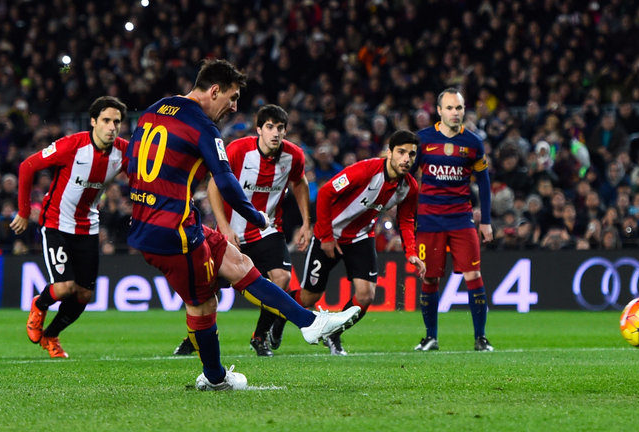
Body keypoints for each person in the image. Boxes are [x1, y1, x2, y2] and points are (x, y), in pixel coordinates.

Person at [126, 59, 359, 390]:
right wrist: (255, 216)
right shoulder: (203, 126)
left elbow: (133, 161)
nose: (234, 107)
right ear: (215, 91)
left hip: (157, 219)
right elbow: (224, 180)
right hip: (174, 232)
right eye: (232, 97)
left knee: (238, 262)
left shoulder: (156, 109)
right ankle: (215, 378)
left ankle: (309, 322)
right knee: (203, 304)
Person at [172, 104, 311, 357]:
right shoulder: (238, 150)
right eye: (270, 127)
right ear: (259, 129)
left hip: (267, 229)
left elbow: (300, 182)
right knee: (207, 288)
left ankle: (259, 336)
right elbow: (214, 185)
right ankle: (193, 338)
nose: (275, 133)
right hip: (231, 232)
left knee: (282, 278)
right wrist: (224, 227)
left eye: (280, 128)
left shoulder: (294, 156)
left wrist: (306, 222)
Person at [285, 129, 426, 355]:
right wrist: (327, 237)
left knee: (366, 295)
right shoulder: (366, 170)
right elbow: (326, 192)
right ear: (389, 153)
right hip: (329, 233)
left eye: (411, 154)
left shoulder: (409, 187)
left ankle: (333, 335)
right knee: (309, 296)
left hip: (361, 237)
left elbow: (407, 220)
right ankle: (277, 318)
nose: (406, 159)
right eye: (401, 152)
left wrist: (411, 252)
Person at [10, 96, 129, 358]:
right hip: (56, 223)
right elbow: (27, 166)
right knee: (65, 287)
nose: (112, 127)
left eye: (117, 122)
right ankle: (40, 304)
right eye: (106, 121)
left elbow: (145, 178)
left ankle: (51, 335)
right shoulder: (72, 146)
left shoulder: (124, 152)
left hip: (88, 228)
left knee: (84, 295)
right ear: (93, 121)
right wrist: (24, 212)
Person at [413, 88, 495, 352]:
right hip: (429, 220)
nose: (454, 112)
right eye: (449, 108)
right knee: (429, 279)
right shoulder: (422, 140)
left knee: (474, 274)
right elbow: (409, 179)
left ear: (464, 110)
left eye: (458, 108)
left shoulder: (473, 142)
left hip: (461, 219)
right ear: (439, 111)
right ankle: (431, 337)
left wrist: (486, 221)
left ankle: (481, 338)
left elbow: (484, 182)